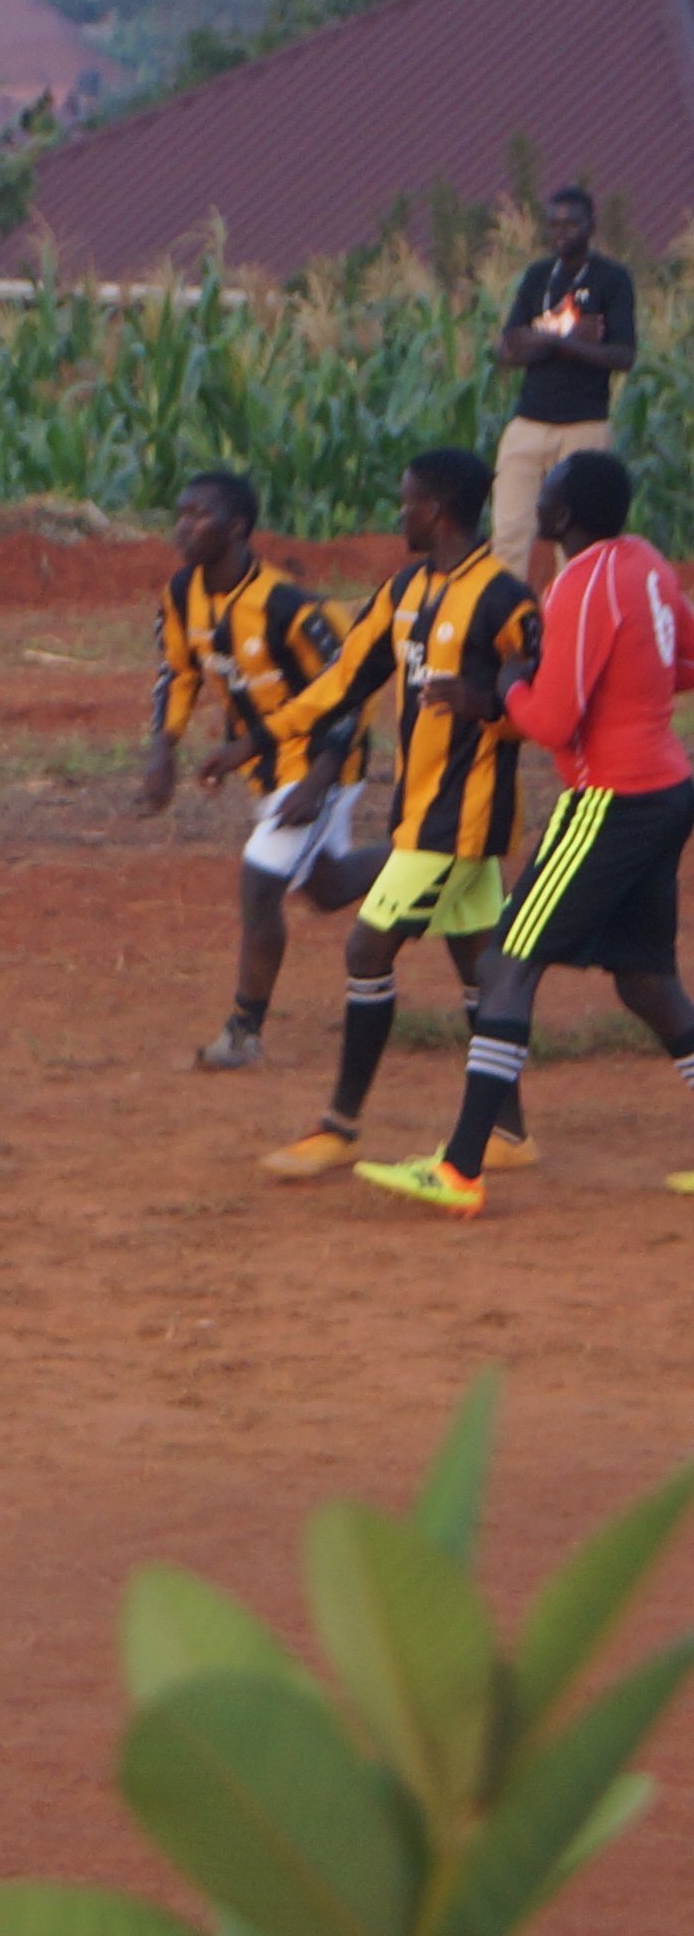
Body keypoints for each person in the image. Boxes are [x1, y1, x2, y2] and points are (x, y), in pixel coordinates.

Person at [367, 450, 694, 1216]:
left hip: (609, 801)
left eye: (545, 491)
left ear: (565, 515)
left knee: (511, 964)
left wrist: (504, 685)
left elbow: (550, 719)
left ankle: (460, 1169)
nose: (535, 497)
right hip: (668, 789)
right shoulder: (645, 561)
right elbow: (685, 660)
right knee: (647, 981)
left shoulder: (578, 583)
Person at [254, 447, 541, 1180]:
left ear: (437, 510)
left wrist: (490, 707)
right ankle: (507, 1132)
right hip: (422, 814)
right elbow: (348, 677)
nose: (399, 513)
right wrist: (271, 732)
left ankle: (340, 1125)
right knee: (479, 966)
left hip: (460, 819)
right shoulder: (406, 587)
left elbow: (541, 699)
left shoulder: (506, 600)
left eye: (407, 501)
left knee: (366, 950)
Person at [139, 470, 368, 1073]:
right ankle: (436, 859)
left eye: (200, 516)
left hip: (323, 763)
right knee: (323, 887)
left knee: (262, 879)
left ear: (238, 527)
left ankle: (243, 1030)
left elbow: (351, 691)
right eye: (180, 513)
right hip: (263, 767)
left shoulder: (289, 604)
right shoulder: (182, 593)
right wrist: (165, 748)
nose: (183, 526)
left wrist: (320, 783)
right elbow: (179, 669)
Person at [490, 185, 639, 579]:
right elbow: (507, 350)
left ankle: (570, 623)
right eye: (554, 224)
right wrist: (568, 339)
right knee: (508, 532)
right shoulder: (538, 277)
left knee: (576, 544)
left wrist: (541, 338)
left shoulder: (612, 279)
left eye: (571, 223)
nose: (561, 232)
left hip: (583, 425)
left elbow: (623, 356)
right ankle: (508, 625)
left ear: (591, 225)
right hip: (529, 421)